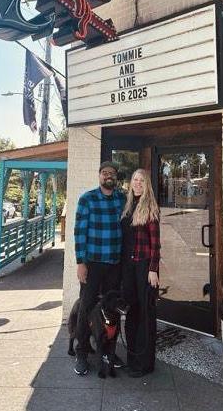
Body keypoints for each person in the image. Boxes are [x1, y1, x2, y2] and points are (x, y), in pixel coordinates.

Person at [73, 161, 127, 375]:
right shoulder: (87, 199)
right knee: (86, 308)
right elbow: (79, 232)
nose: (108, 176)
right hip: (92, 265)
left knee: (112, 311)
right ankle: (82, 352)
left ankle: (109, 353)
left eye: (112, 173)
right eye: (105, 173)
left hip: (115, 264)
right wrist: (81, 263)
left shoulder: (122, 199)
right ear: (99, 176)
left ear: (116, 177)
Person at [121, 168, 161, 377]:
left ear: (147, 185)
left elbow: (156, 243)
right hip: (128, 267)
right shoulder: (128, 206)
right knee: (132, 313)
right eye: (135, 179)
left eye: (141, 180)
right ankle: (133, 359)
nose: (137, 183)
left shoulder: (151, 207)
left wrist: (153, 269)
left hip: (144, 267)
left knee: (146, 315)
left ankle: (145, 364)